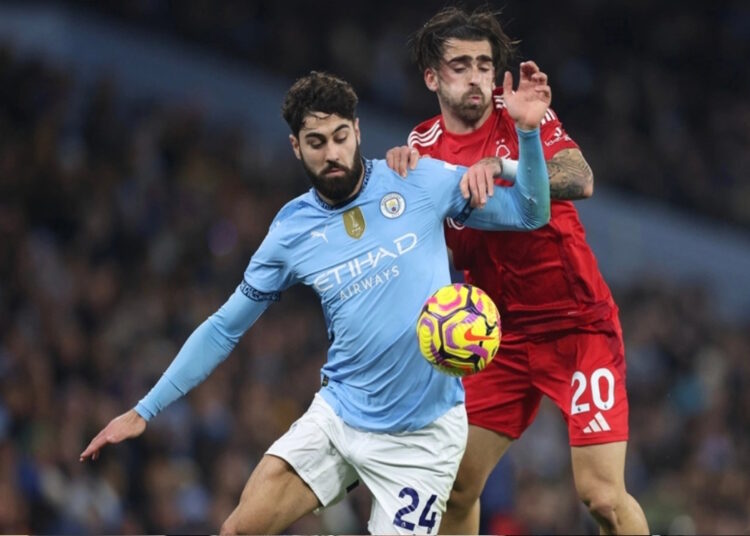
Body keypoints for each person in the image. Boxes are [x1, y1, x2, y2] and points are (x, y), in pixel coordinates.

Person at [80, 69, 553, 534]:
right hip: (340, 416)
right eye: (316, 142)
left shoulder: (416, 179)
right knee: (239, 530)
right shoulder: (290, 231)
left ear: (358, 131)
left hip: (423, 438)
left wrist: (525, 138)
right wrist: (144, 410)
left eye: (340, 137)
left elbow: (531, 211)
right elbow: (225, 327)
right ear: (296, 146)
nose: (332, 153)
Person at [386, 7, 649, 535]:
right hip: (496, 335)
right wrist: (395, 188)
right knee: (456, 486)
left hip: (577, 326)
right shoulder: (422, 146)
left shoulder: (521, 115)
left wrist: (506, 163)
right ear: (432, 78)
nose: (476, 76)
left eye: (484, 64)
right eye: (460, 65)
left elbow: (580, 178)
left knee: (601, 497)